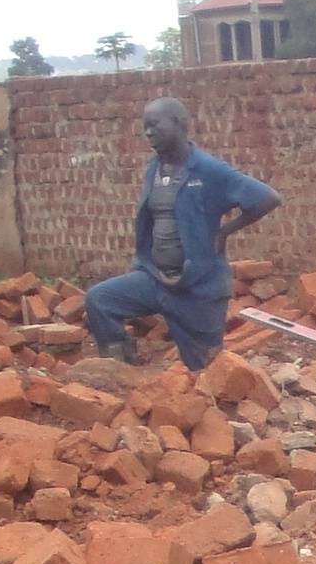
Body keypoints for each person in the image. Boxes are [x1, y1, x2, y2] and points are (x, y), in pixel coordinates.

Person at [82, 97, 280, 371]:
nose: (148, 132)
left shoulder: (208, 169)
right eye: (145, 127)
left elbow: (267, 197)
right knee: (100, 300)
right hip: (156, 280)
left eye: (154, 125)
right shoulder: (154, 168)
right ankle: (122, 375)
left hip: (198, 289)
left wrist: (225, 231)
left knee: (206, 369)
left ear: (178, 124)